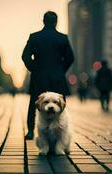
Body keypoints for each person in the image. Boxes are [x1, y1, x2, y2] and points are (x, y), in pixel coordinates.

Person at [22, 11, 74, 140]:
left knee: (35, 104)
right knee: (60, 105)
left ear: (43, 21)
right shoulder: (62, 38)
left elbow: (25, 56)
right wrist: (61, 70)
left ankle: (30, 131)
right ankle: (61, 132)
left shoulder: (34, 37)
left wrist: (33, 68)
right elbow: (70, 58)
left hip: (39, 76)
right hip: (57, 76)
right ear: (56, 22)